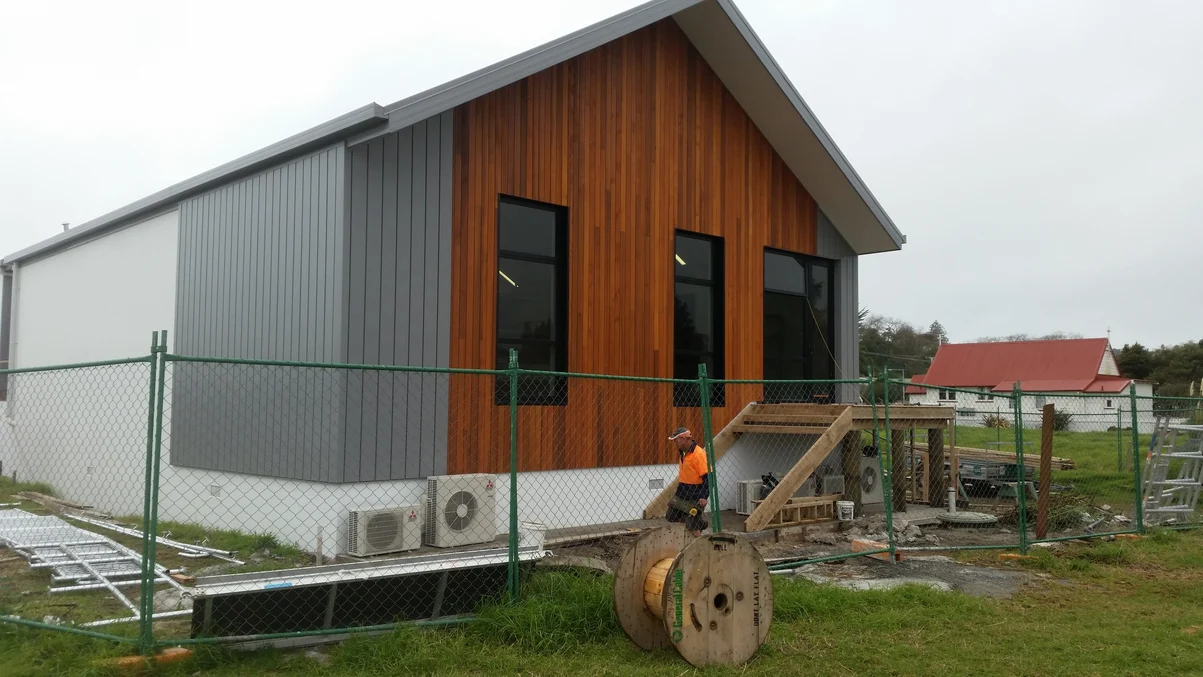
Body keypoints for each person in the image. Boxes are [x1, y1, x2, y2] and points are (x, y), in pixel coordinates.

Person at [666, 426, 710, 536]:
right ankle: (699, 523)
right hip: (682, 492)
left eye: (677, 440)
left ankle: (699, 545)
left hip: (695, 494)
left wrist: (704, 496)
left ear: (685, 438)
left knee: (692, 525)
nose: (676, 442)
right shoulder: (683, 452)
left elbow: (708, 477)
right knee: (671, 516)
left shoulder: (699, 454)